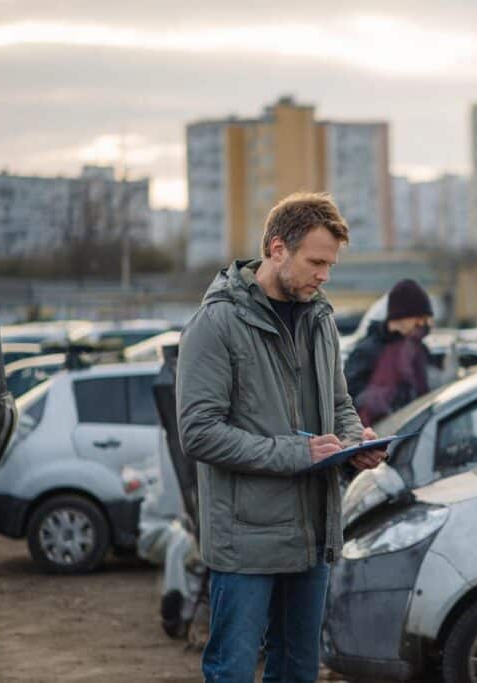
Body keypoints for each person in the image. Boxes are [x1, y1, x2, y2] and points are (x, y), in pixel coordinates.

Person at [176, 192, 387, 683]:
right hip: (245, 542)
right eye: (316, 262)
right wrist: (297, 453)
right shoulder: (216, 324)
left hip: (312, 535)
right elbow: (199, 433)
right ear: (276, 249)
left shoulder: (320, 318)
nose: (324, 275)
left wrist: (356, 443)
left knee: (298, 671)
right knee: (232, 671)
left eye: (330, 265)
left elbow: (339, 404)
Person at [344, 278, 434, 426]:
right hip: (376, 434)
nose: (422, 324)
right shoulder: (367, 351)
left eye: (426, 319)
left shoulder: (419, 350)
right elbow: (347, 400)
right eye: (418, 318)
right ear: (399, 316)